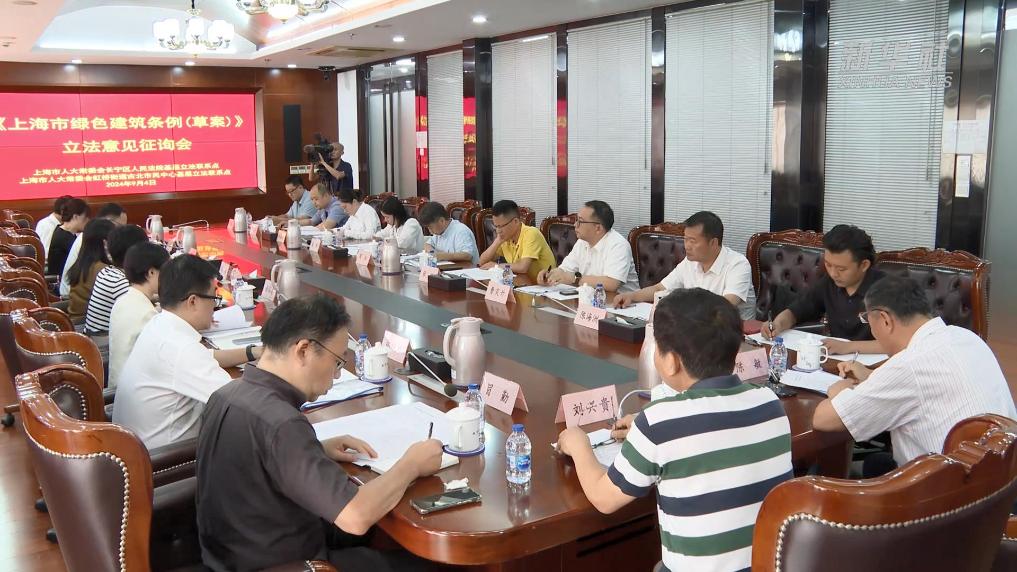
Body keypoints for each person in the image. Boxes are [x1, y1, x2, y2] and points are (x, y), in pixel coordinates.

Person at [197, 295, 441, 571]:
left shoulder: (225, 395)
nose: (336, 376)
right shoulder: (282, 424)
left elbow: (252, 458)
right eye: (337, 362)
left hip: (230, 556)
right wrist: (411, 464)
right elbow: (356, 517)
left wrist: (316, 449)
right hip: (293, 564)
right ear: (303, 350)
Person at [556, 288, 792, 571]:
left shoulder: (660, 422)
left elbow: (604, 498)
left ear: (670, 361)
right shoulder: (769, 403)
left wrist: (578, 443)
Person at [813, 275, 1017, 476]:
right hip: (1003, 475)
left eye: (868, 321)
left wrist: (839, 389)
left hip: (949, 490)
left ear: (885, 320)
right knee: (878, 462)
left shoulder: (908, 365)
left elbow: (824, 420)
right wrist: (871, 376)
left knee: (866, 469)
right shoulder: (965, 337)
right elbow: (928, 387)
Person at [112, 254, 263, 449]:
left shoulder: (160, 324)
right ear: (193, 301)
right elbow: (242, 402)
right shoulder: (180, 348)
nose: (214, 306)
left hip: (137, 447)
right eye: (214, 298)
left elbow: (207, 357)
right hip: (168, 460)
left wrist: (254, 352)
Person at [761, 224, 885, 349]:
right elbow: (797, 311)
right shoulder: (829, 282)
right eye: (828, 265)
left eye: (841, 269)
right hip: (835, 357)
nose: (833, 273)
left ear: (864, 265)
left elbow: (896, 344)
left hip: (875, 360)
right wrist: (778, 324)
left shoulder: (886, 289)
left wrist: (848, 347)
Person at [614, 211, 751, 308]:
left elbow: (726, 304)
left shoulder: (738, 264)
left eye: (692, 241)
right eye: (685, 239)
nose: (687, 246)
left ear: (713, 243)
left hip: (732, 332)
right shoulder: (690, 262)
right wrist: (631, 296)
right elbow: (660, 288)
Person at [538, 200, 638, 293]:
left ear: (598, 228)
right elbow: (565, 269)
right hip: (590, 299)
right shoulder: (582, 241)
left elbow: (611, 284)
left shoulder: (618, 245)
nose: (575, 225)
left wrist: (574, 279)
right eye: (576, 220)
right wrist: (550, 275)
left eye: (580, 221)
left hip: (622, 303)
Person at [107, 242, 170, 389]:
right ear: (151, 273)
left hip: (120, 383)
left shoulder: (124, 299)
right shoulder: (147, 314)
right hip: (133, 389)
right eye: (166, 271)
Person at [85, 224, 149, 333]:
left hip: (95, 336)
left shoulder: (108, 271)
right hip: (104, 340)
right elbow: (143, 314)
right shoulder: (119, 282)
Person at [59, 202, 126, 298]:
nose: (121, 232)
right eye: (120, 227)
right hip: (69, 296)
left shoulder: (89, 239)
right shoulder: (100, 268)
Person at [478, 200, 555, 281]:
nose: (498, 231)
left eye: (501, 226)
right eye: (496, 226)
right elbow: (482, 262)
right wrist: (497, 241)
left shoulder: (531, 233)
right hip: (521, 283)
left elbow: (523, 267)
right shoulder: (505, 237)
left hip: (544, 284)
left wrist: (497, 266)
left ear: (516, 221)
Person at [65, 218, 114, 321]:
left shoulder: (82, 263)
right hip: (86, 324)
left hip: (75, 322)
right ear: (105, 242)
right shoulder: (103, 271)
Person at [46, 198, 90, 280]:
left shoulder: (61, 230)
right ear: (75, 217)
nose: (88, 220)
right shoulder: (64, 238)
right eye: (85, 217)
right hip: (62, 282)